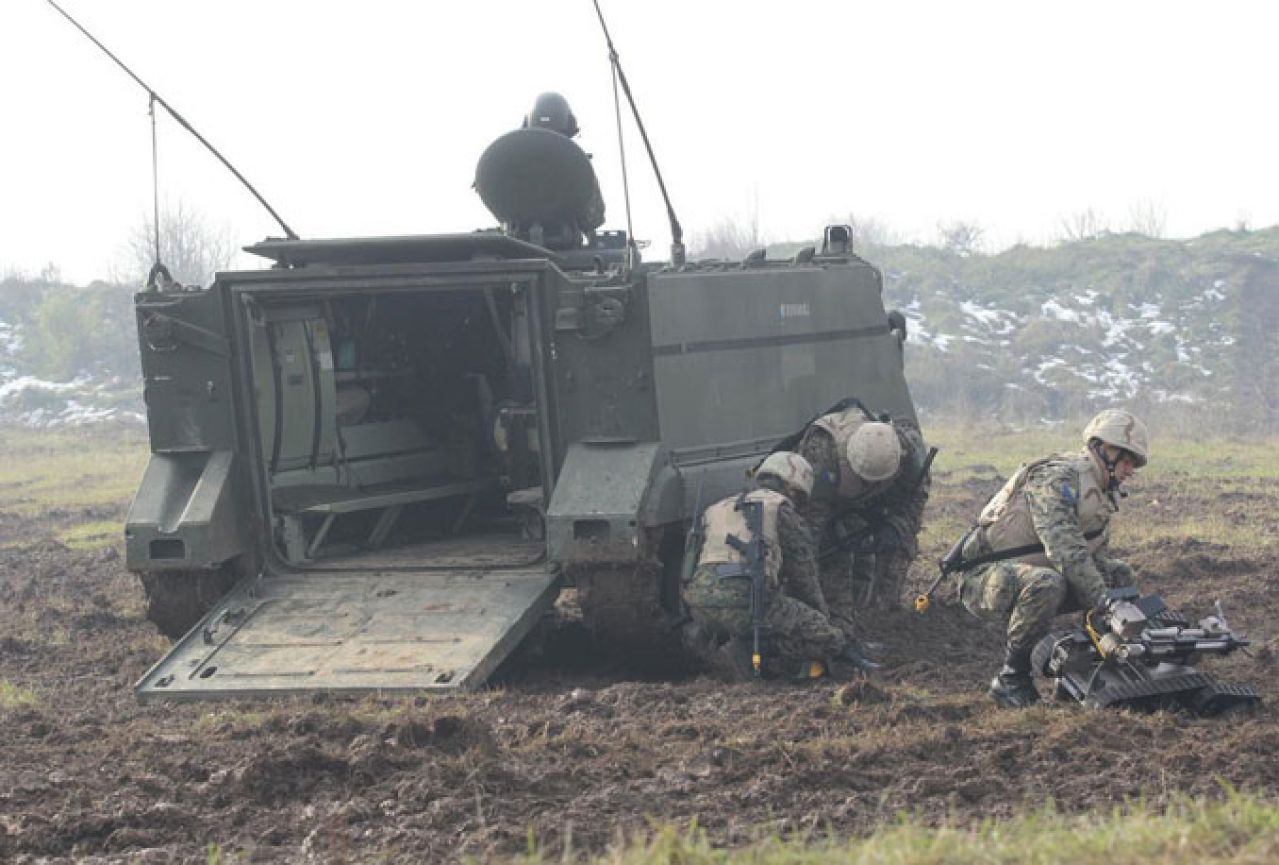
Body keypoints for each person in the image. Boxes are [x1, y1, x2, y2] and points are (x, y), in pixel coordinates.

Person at [948, 409, 1148, 708]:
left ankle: (1095, 668)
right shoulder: (1057, 477)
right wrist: (1106, 602)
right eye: (1128, 461)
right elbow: (1065, 549)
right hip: (986, 578)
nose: (1131, 470)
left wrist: (1111, 598)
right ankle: (1010, 678)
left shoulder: (1103, 491)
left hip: (1038, 570)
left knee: (1118, 576)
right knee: (1048, 583)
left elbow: (1095, 556)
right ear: (1105, 450)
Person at [682, 451, 872, 680]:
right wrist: (824, 624)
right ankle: (757, 655)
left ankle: (729, 653)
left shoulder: (715, 509)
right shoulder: (781, 510)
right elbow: (805, 580)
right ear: (793, 489)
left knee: (760, 617)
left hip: (699, 608)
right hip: (747, 603)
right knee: (818, 633)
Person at [796, 401, 931, 629]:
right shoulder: (822, 453)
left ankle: (881, 621)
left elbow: (915, 500)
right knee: (831, 561)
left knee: (898, 548)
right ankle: (831, 620)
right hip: (831, 504)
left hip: (880, 502)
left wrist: (897, 527)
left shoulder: (908, 448)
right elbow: (812, 524)